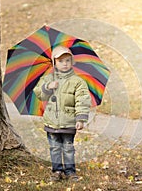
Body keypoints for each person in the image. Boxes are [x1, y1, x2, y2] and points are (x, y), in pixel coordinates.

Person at [34, 45, 91, 182]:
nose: (64, 64)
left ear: (72, 62)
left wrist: (80, 118)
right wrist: (48, 87)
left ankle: (70, 171)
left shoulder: (77, 82)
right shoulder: (48, 79)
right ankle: (57, 170)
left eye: (67, 60)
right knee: (54, 147)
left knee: (68, 148)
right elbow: (39, 94)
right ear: (54, 62)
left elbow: (82, 100)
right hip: (52, 121)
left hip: (69, 122)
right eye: (60, 61)